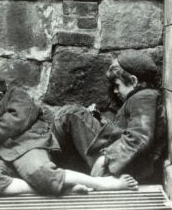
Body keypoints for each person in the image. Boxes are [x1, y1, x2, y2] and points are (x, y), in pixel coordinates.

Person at [0, 70, 138, 201]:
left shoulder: (16, 96)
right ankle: (62, 188)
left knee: (41, 174)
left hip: (27, 146)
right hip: (6, 156)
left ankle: (101, 183)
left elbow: (15, 120)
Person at [52, 50, 166, 182]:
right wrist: (99, 119)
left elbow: (140, 137)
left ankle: (48, 171)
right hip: (122, 162)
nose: (115, 91)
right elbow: (125, 130)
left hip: (124, 167)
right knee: (73, 114)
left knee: (70, 114)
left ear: (134, 81)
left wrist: (106, 158)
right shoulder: (141, 98)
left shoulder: (144, 97)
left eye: (117, 85)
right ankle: (57, 172)